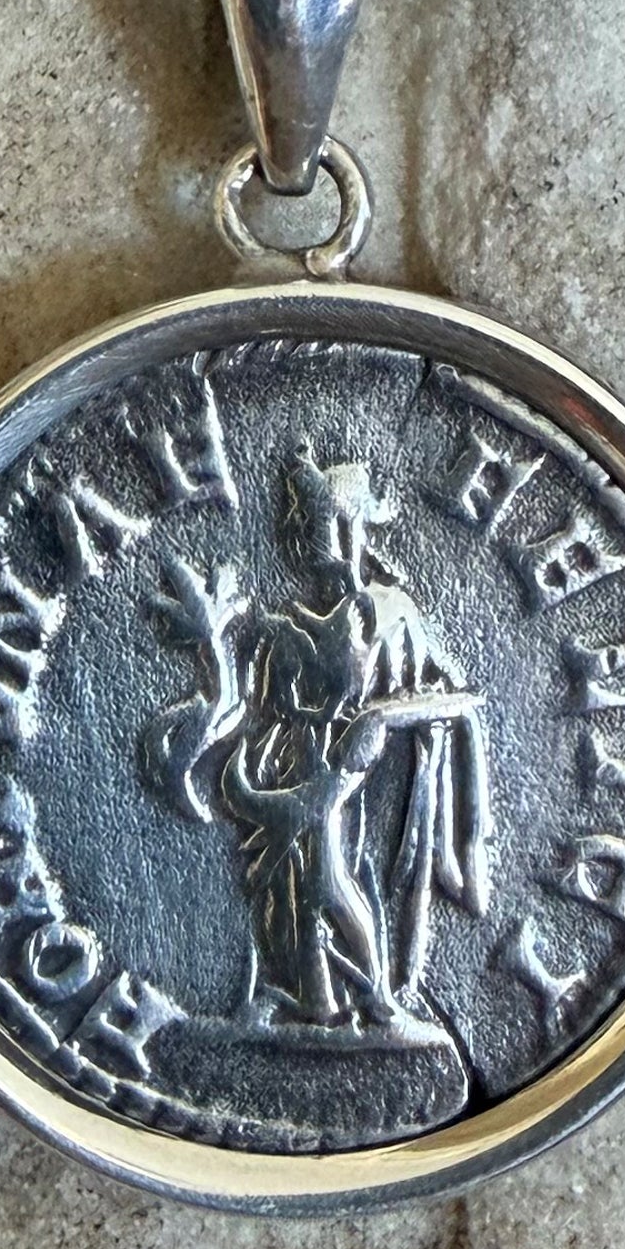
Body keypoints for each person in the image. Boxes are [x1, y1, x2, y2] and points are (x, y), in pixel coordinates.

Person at [148, 440, 491, 1036]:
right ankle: (319, 998)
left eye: (310, 516)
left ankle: (376, 1000)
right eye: (297, 515)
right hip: (290, 763)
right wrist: (213, 648)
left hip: (341, 773)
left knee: (326, 882)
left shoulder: (392, 611)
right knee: (295, 890)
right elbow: (245, 706)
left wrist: (380, 718)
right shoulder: (287, 624)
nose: (297, 528)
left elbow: (459, 697)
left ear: (346, 523)